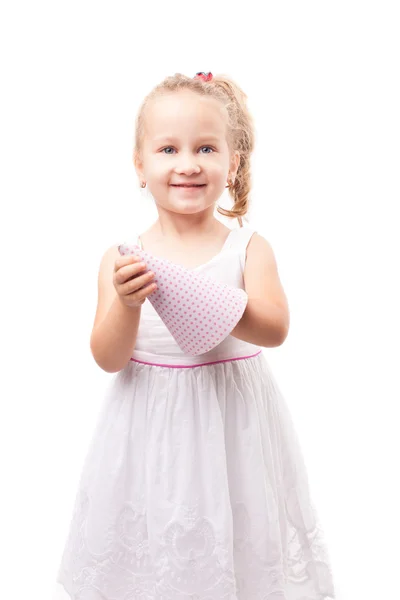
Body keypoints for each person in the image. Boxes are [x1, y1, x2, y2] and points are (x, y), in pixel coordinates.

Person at [54, 72, 335, 600]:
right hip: (149, 428)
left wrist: (212, 301)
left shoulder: (249, 248)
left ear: (232, 164)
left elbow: (275, 328)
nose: (187, 163)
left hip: (233, 424)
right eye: (167, 148)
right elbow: (108, 357)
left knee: (236, 547)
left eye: (206, 148)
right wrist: (128, 304)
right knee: (154, 553)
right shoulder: (122, 259)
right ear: (140, 165)